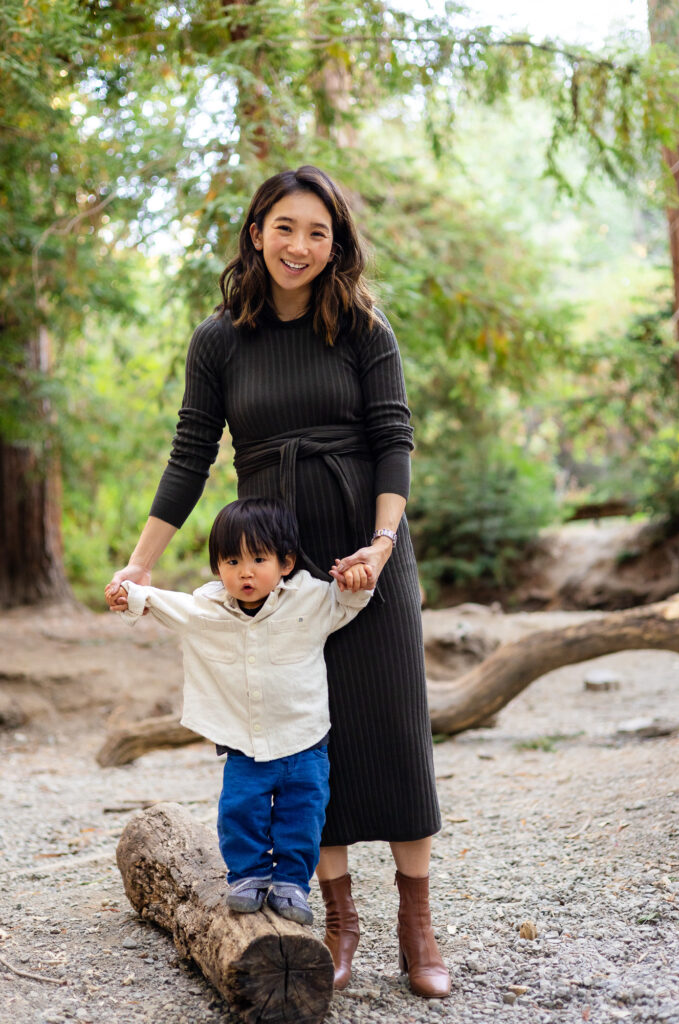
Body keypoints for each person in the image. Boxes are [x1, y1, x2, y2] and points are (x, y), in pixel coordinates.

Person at [106, 164, 450, 999]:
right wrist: (142, 563)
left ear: (336, 245)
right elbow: (192, 453)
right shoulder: (220, 339)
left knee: (396, 727)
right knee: (301, 732)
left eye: (318, 232)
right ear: (257, 232)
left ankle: (416, 921)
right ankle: (338, 921)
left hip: (367, 553)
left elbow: (395, 440)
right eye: (285, 227)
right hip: (275, 562)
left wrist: (380, 540)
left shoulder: (364, 327)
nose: (299, 246)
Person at [105, 497, 372, 926]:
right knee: (239, 811)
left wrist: (357, 577)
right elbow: (160, 601)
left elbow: (349, 600)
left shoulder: (310, 599)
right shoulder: (205, 610)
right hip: (243, 743)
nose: (245, 572)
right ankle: (248, 876)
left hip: (305, 742)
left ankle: (290, 882)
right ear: (217, 568)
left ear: (285, 563)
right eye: (232, 560)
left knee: (303, 815)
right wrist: (129, 594)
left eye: (259, 559)